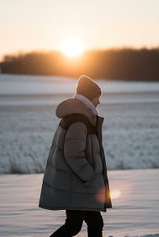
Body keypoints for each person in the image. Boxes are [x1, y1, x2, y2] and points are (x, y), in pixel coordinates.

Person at [39, 75, 112, 237]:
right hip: (78, 185)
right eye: (96, 98)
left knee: (90, 223)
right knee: (75, 225)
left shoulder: (78, 117)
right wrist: (89, 176)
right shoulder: (79, 120)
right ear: (88, 98)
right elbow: (73, 154)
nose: (98, 102)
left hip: (78, 185)